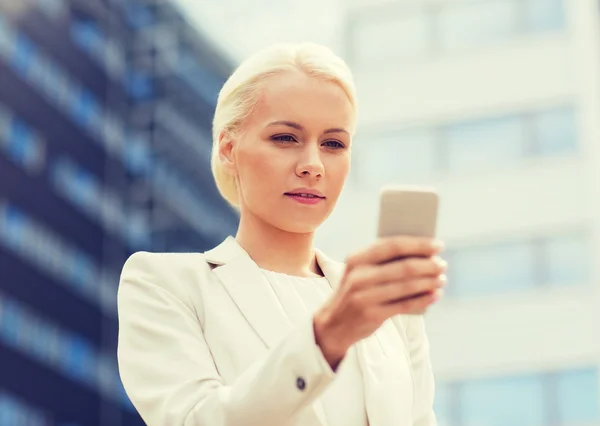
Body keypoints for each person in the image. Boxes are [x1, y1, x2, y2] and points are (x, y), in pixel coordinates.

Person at [117, 42, 447, 426]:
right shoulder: (166, 284)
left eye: (333, 144)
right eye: (286, 138)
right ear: (228, 148)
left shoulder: (391, 315)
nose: (313, 165)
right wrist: (328, 337)